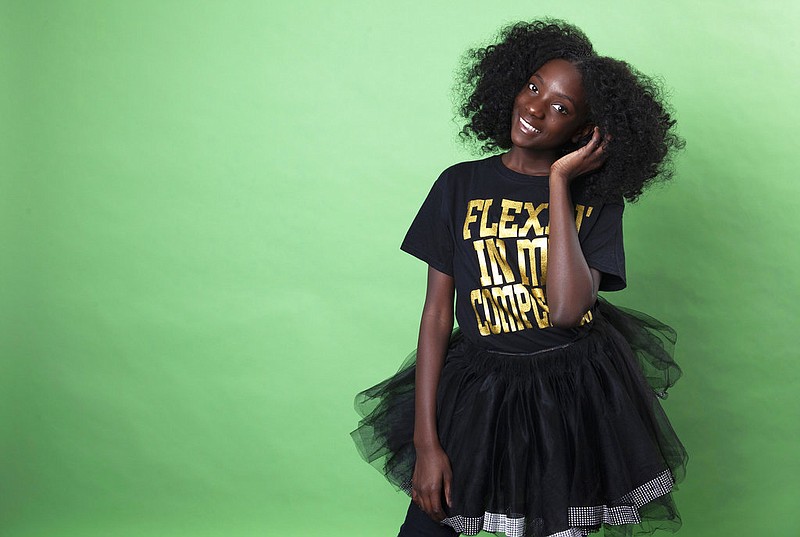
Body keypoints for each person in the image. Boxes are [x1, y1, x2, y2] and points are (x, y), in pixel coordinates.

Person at [351, 19, 687, 537]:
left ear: (582, 133)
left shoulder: (595, 202)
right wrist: (426, 443)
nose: (534, 109)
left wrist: (559, 181)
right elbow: (438, 314)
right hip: (478, 387)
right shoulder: (459, 185)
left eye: (560, 107)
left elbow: (569, 310)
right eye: (533, 88)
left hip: (569, 392)